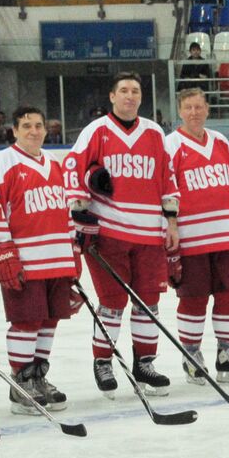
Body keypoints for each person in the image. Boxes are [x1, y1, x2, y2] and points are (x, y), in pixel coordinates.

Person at [64, 72, 180, 398]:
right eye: (124, 91)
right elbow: (72, 166)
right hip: (109, 233)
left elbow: (166, 177)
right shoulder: (97, 130)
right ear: (112, 97)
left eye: (135, 91)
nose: (130, 96)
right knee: (113, 303)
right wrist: (80, 207)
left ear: (141, 97)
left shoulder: (155, 132)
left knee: (148, 303)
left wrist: (171, 221)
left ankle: (144, 362)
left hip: (149, 235)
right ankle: (103, 361)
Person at [0, 105, 78, 413]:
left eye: (38, 125)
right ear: (15, 130)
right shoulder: (1, 163)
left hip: (56, 258)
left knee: (49, 321)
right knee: (26, 322)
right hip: (26, 260)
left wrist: (73, 253)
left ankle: (38, 377)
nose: (34, 130)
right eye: (27, 125)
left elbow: (63, 213)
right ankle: (20, 385)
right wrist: (3, 252)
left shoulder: (54, 164)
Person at [162, 87, 229, 383]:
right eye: (188, 107)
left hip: (223, 238)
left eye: (199, 107)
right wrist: (171, 226)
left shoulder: (220, 141)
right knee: (194, 298)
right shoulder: (170, 145)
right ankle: (191, 355)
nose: (194, 112)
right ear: (180, 111)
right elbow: (165, 191)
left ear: (207, 109)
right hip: (191, 239)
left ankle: (226, 355)